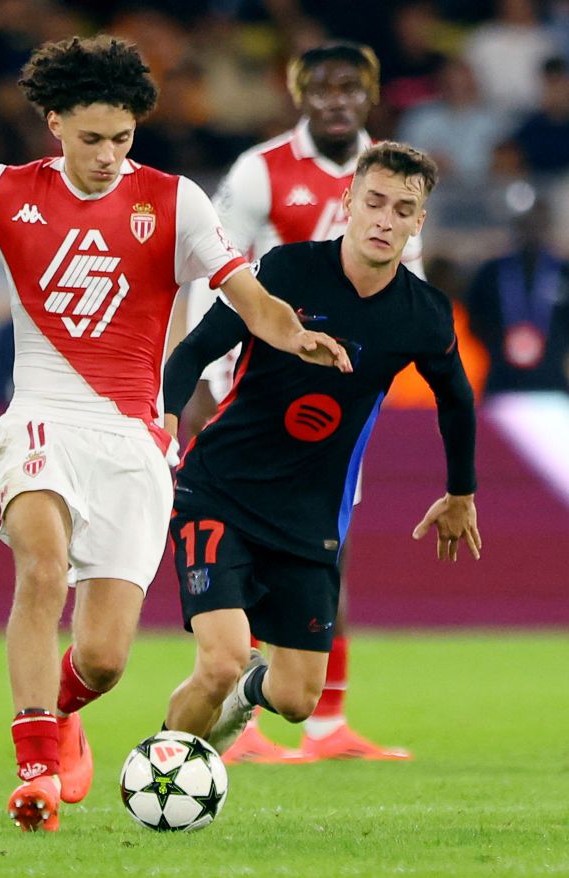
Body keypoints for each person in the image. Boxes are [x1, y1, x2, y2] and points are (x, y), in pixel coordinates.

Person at [0, 35, 350, 831]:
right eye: (91, 139)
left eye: (122, 139)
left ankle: (62, 713)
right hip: (42, 420)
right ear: (54, 122)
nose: (107, 156)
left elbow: (247, 293)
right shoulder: (1, 193)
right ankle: (34, 775)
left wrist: (292, 335)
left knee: (104, 659)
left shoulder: (174, 201)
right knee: (43, 570)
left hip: (132, 443)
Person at [159, 142, 481, 768]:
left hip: (308, 520)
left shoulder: (424, 315)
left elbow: (458, 403)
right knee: (221, 659)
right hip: (220, 491)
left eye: (404, 209)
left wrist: (460, 492)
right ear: (349, 204)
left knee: (297, 697)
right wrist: (166, 425)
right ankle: (159, 779)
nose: (386, 219)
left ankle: (245, 697)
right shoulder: (285, 270)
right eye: (376, 202)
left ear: (420, 223)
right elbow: (194, 352)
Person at [173, 42, 420, 764]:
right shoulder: (260, 171)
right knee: (245, 541)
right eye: (320, 88)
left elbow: (415, 284)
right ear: (298, 94)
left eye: (349, 89)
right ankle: (237, 711)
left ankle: (323, 723)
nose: (334, 100)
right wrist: (199, 379)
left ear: (370, 95)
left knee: (325, 549)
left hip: (338, 407)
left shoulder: (394, 174)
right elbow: (211, 269)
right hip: (254, 393)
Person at [466, 198, 569, 394]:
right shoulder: (490, 273)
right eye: (526, 223)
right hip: (501, 385)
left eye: (538, 222)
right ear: (516, 225)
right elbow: (475, 323)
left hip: (553, 387)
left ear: (548, 225)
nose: (532, 230)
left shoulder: (564, 272)